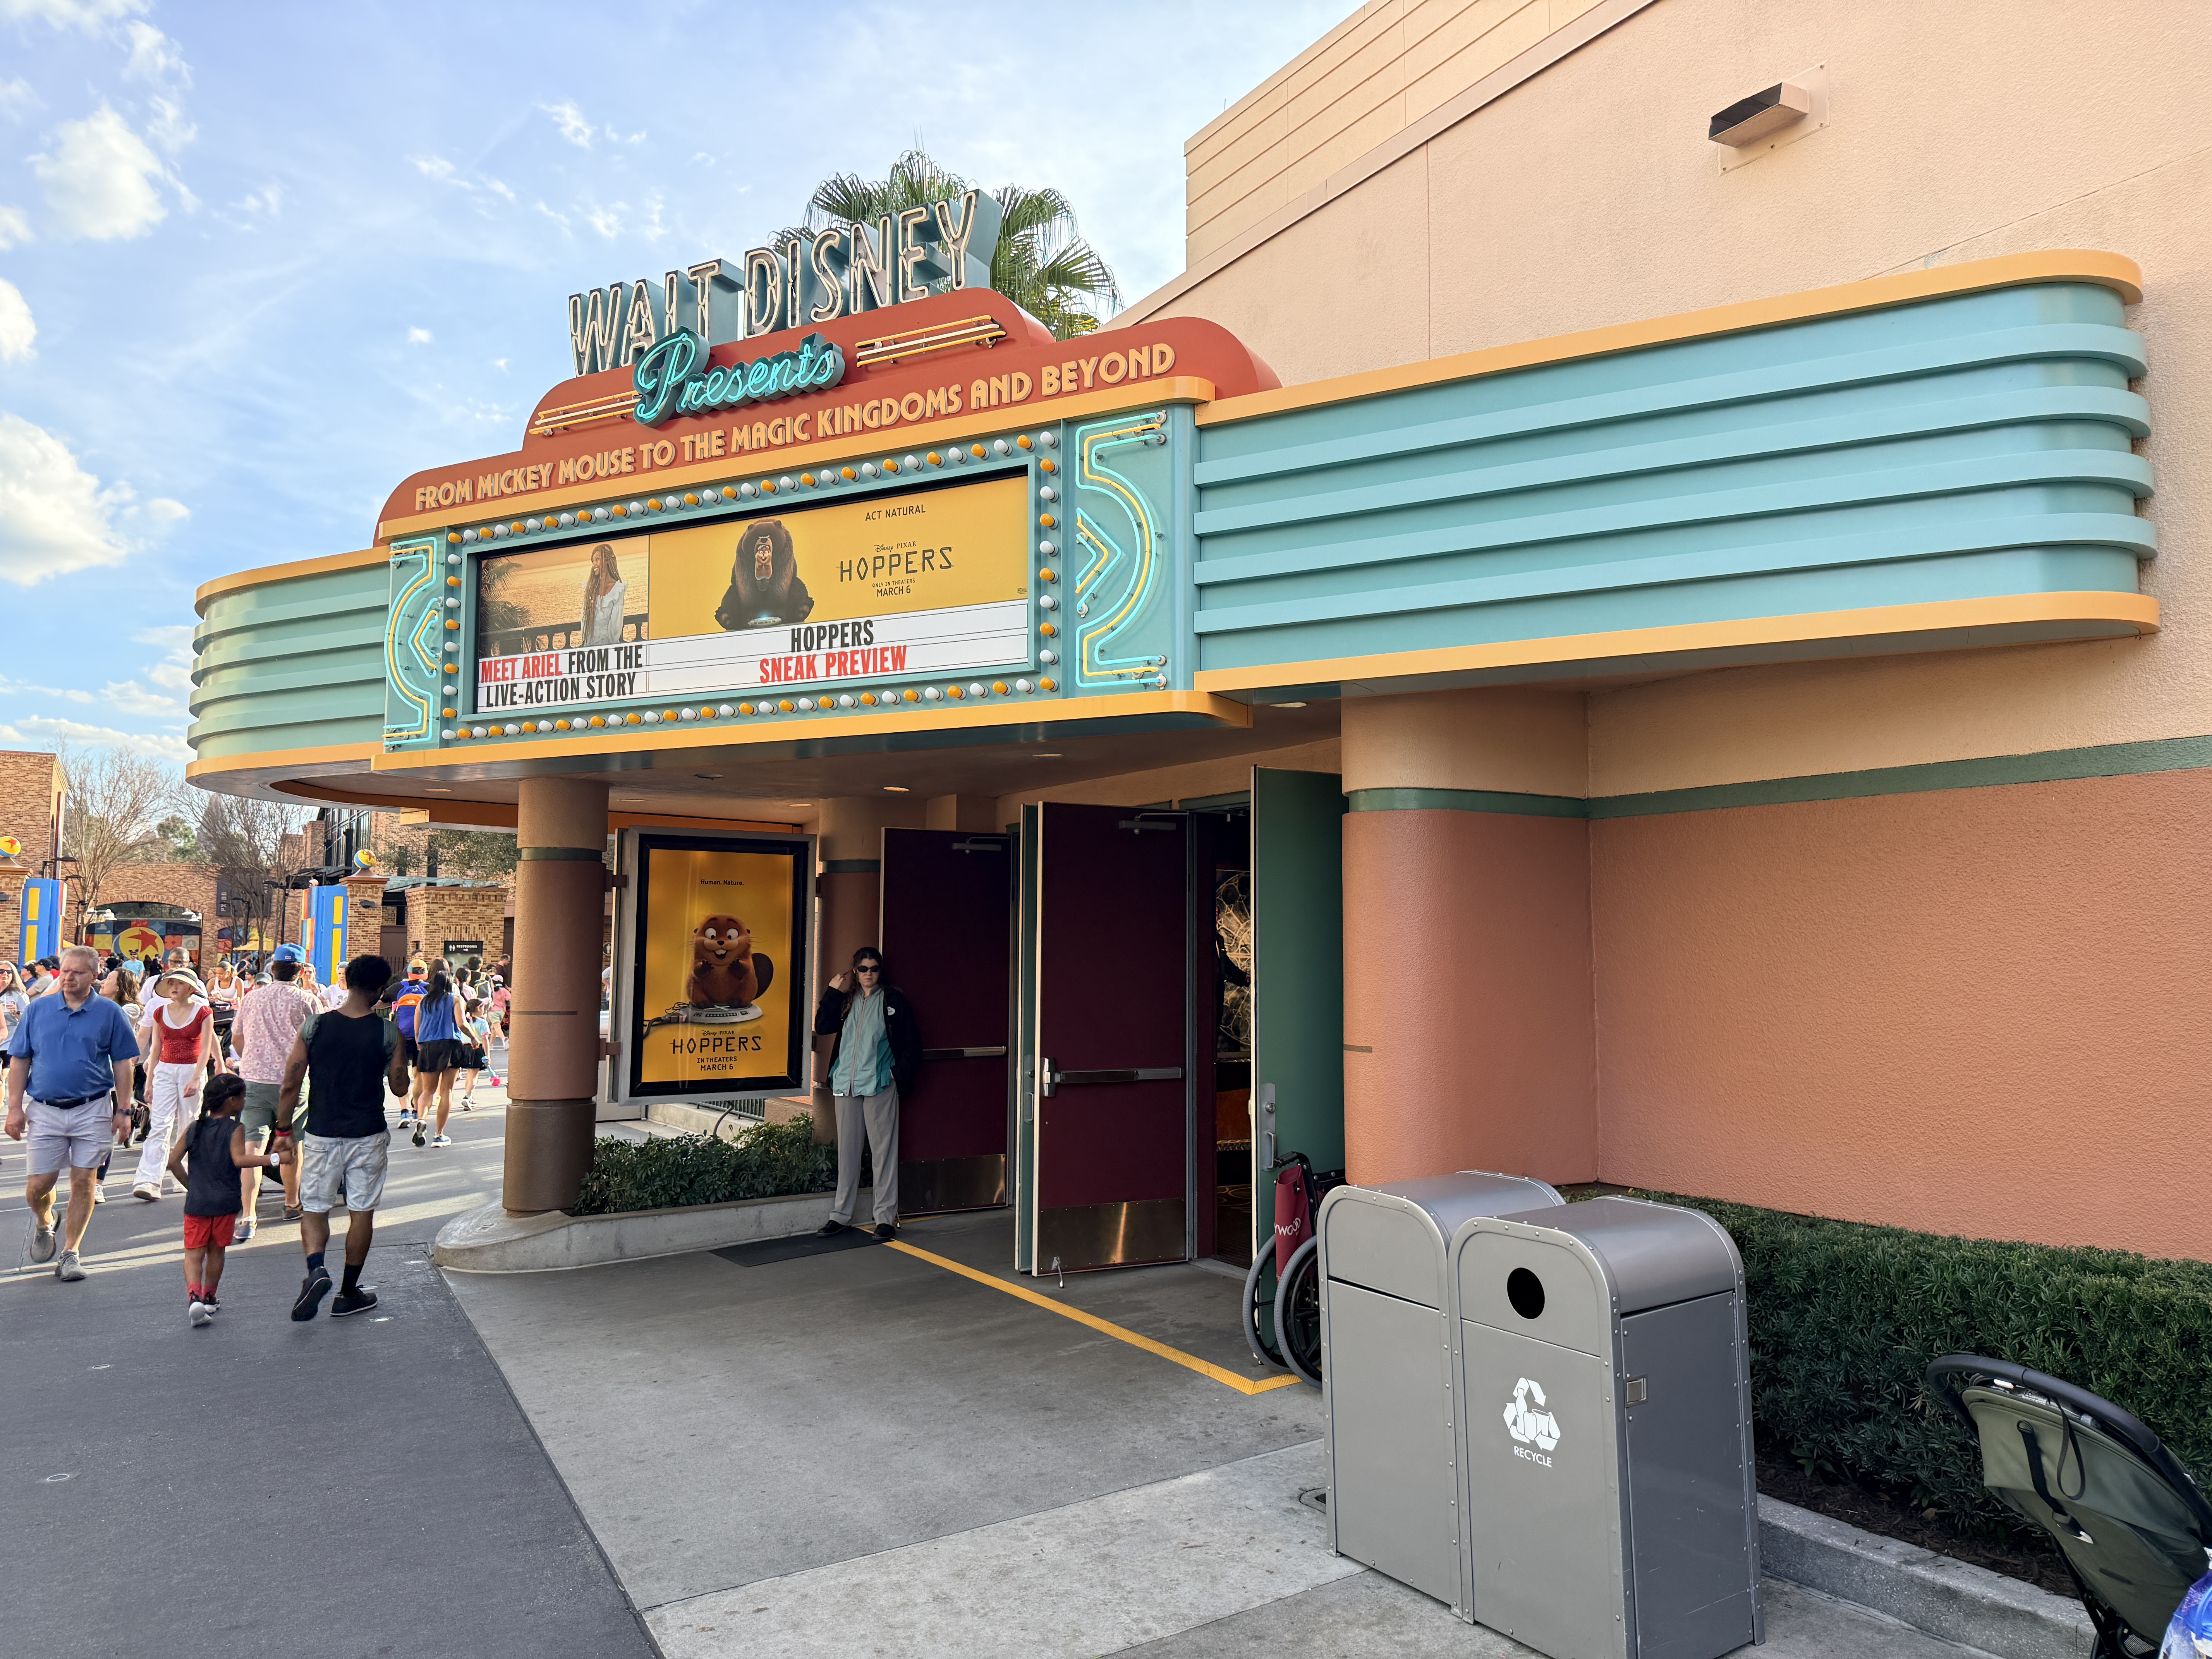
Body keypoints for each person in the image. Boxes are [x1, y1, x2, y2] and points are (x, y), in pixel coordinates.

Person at [273, 953, 408, 1320]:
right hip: (368, 1133)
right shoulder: (387, 1032)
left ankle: (316, 1269)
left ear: (347, 982)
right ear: (380, 989)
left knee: (315, 1208)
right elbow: (400, 1088)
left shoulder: (315, 1026)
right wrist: (398, 1056)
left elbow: (291, 1083)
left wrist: (283, 1129)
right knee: (361, 1212)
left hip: (322, 1132)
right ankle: (348, 1293)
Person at [3, 945, 140, 1281]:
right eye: (65, 971)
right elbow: (20, 1060)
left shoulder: (110, 1013)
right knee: (39, 1185)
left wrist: (124, 1109)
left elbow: (123, 1063)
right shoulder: (39, 1010)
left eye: (78, 972)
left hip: (92, 1108)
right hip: (45, 1110)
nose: (69, 978)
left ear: (95, 975)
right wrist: (14, 1108)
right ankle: (45, 1221)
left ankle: (71, 1253)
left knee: (84, 1180)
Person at [812, 946, 922, 1242]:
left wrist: (894, 1075)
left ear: (880, 971)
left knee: (883, 1153)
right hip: (845, 1085)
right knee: (847, 1154)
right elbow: (822, 1026)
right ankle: (840, 1216)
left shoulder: (893, 1001)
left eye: (874, 969)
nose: (869, 974)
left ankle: (884, 1218)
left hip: (879, 1085)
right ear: (855, 971)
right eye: (863, 969)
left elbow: (913, 1046)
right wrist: (832, 993)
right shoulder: (847, 1001)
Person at [167, 1073, 289, 1326]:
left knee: (194, 1254)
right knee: (216, 1251)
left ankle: (194, 1297)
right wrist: (274, 1159)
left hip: (198, 1203)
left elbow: (173, 1161)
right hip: (225, 1202)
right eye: (243, 1097)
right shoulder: (235, 1129)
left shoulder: (195, 1128)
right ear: (233, 1101)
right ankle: (209, 1297)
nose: (245, 1102)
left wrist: (191, 1186)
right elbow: (240, 1160)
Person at [230, 941, 318, 1230]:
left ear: (273, 969)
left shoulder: (252, 998)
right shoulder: (307, 1001)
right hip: (293, 1083)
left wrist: (252, 1060)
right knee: (292, 1142)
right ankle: (292, 1202)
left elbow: (237, 1039)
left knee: (253, 1148)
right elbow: (318, 1042)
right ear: (301, 971)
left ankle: (248, 1214)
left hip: (255, 1081)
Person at [131, 968, 225, 1202]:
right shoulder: (160, 1013)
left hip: (191, 1069)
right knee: (159, 1124)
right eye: (171, 983)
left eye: (179, 984)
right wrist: (150, 1081)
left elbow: (205, 1047)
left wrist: (196, 1077)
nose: (174, 987)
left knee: (188, 1124)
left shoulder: (203, 1012)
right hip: (165, 1069)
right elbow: (156, 1048)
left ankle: (183, 1175)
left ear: (191, 988)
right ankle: (149, 1180)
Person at [409, 965, 462, 1147]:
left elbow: (417, 1031)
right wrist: (473, 1038)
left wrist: (420, 1045)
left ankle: (422, 1119)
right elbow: (461, 1024)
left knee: (428, 1091)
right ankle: (439, 1135)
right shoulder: (455, 1000)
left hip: (428, 1047)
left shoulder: (422, 1003)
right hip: (450, 1045)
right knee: (446, 1091)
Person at [390, 960, 428, 1125]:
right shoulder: (429, 989)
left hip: (401, 1037)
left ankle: (404, 1111)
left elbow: (380, 1001)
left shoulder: (398, 988)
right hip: (422, 1038)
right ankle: (416, 1108)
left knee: (401, 1074)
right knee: (419, 1075)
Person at [580, 543, 628, 646]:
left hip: (608, 647)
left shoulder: (617, 590)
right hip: (589, 647)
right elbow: (584, 623)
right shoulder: (590, 589)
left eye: (597, 560)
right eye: (593, 561)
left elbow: (615, 630)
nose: (594, 564)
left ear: (606, 560)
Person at [0, 962, 29, 1041]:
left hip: (10, 1039)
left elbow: (28, 1017)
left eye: (9, 972)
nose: (5, 974)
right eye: (1, 971)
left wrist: (17, 1013)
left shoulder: (19, 994)